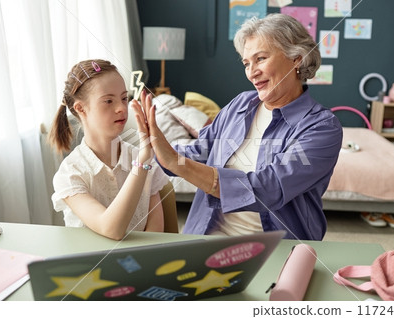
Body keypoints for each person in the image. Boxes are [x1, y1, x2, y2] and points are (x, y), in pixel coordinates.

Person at [135, 14, 343, 240]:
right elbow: (201, 150)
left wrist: (177, 163)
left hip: (278, 248)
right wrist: (153, 148)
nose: (251, 72)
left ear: (297, 59)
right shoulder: (241, 104)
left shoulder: (321, 127)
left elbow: (268, 189)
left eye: (261, 58)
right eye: (246, 63)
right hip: (208, 236)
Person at [48, 59, 169, 240]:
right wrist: (142, 162)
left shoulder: (139, 157)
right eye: (108, 101)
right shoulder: (70, 174)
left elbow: (155, 234)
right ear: (81, 108)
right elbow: (111, 229)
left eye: (123, 98)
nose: (121, 108)